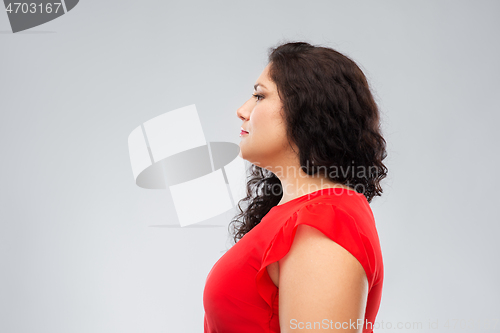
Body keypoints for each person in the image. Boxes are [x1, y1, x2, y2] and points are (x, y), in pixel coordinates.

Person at [203, 41, 388, 333]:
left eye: (259, 96)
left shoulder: (326, 220)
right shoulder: (299, 215)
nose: (242, 110)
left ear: (307, 109)